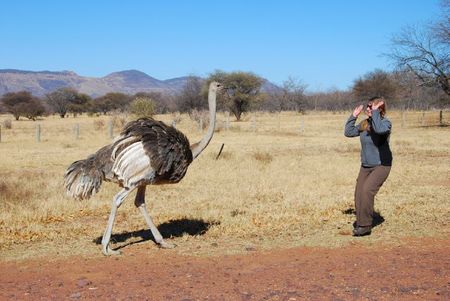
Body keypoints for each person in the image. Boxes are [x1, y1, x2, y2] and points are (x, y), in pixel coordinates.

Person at [344, 96, 392, 236]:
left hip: (381, 165)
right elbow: (348, 132)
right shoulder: (365, 123)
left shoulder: (385, 123)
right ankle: (361, 221)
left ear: (379, 108)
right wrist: (353, 116)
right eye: (368, 106)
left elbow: (379, 131)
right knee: (359, 193)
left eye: (371, 106)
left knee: (367, 191)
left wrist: (376, 113)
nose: (368, 108)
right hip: (366, 165)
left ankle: (365, 226)